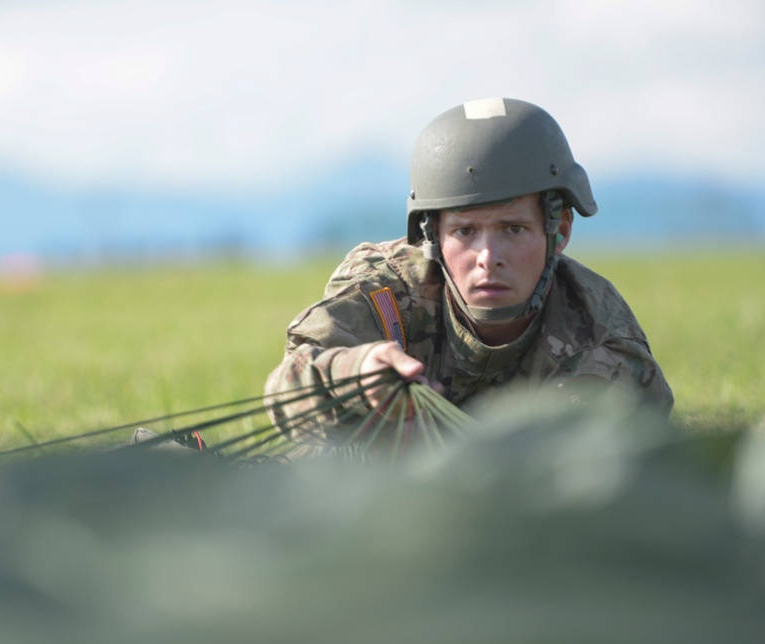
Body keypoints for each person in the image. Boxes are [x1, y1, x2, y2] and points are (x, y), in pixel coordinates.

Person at [264, 97, 673, 447]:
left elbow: (625, 469)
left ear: (559, 231)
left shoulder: (597, 334)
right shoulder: (384, 292)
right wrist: (356, 372)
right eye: (465, 231)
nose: (488, 256)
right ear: (434, 236)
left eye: (514, 229)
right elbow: (286, 389)